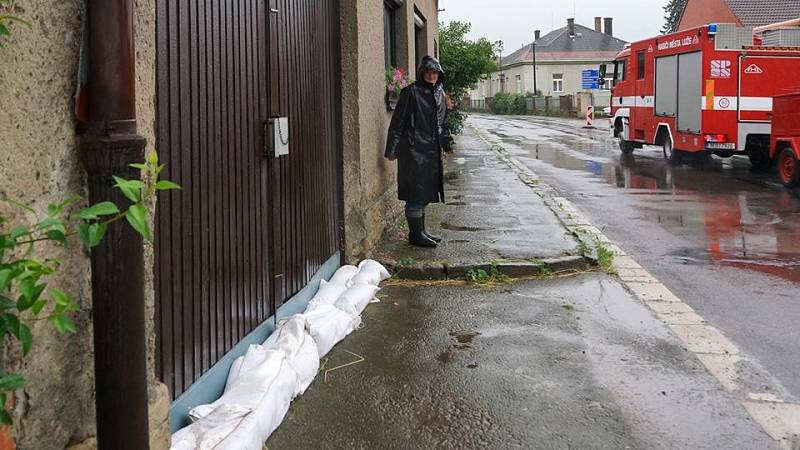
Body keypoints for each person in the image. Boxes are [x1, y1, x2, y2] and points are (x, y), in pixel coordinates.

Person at [385, 56, 455, 248]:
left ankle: (421, 231)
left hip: (431, 153)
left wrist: (448, 143)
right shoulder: (411, 92)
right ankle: (415, 235)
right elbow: (397, 122)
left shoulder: (439, 94)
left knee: (424, 194)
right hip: (413, 151)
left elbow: (443, 124)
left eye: (435, 72)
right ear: (422, 73)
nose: (432, 75)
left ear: (439, 75)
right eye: (428, 72)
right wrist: (392, 148)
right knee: (415, 194)